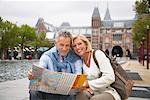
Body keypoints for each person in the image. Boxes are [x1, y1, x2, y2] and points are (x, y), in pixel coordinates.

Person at [28, 31, 83, 100]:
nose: (64, 48)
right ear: (56, 44)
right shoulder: (47, 56)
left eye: (67, 45)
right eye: (61, 45)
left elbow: (79, 74)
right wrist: (33, 73)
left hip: (67, 94)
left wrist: (78, 84)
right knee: (34, 91)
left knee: (72, 95)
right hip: (48, 93)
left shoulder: (76, 58)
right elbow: (41, 67)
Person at [72, 35, 121, 100]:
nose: (77, 47)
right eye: (74, 46)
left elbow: (110, 77)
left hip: (107, 91)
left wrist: (88, 84)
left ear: (86, 44)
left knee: (95, 99)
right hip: (91, 91)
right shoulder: (79, 61)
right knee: (80, 95)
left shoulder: (97, 54)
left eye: (80, 44)